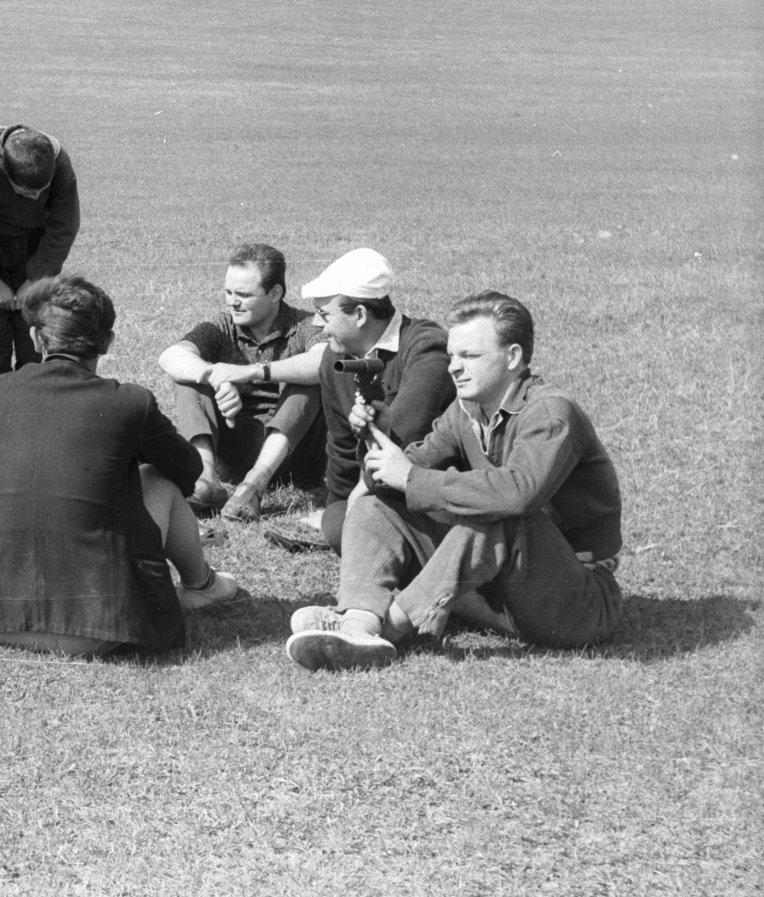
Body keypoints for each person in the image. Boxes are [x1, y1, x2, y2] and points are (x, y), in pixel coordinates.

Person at [286, 291, 624, 670]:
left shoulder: (550, 413)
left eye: (470, 356)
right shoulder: (465, 410)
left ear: (512, 357)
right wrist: (382, 437)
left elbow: (517, 496)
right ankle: (357, 620)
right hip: (498, 591)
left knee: (500, 515)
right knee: (376, 506)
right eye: (453, 355)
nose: (454, 368)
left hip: (575, 603)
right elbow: (397, 473)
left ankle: (388, 628)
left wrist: (411, 477)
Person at [0, 274, 244, 656]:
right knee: (157, 478)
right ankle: (202, 585)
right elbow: (188, 473)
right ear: (107, 342)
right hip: (101, 625)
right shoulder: (129, 403)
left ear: (39, 339)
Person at [158, 243, 328, 522]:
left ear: (275, 293)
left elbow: (324, 362)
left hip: (294, 456)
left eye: (243, 295)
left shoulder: (305, 325)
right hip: (235, 447)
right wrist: (214, 376)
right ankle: (206, 480)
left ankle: (255, 486)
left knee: (309, 380)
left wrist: (251, 372)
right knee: (189, 375)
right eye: (228, 292)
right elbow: (171, 355)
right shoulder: (224, 326)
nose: (232, 302)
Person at [302, 248, 455, 553]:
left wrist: (358, 497)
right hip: (375, 491)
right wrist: (341, 506)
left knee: (358, 527)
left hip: (433, 494)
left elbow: (405, 436)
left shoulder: (426, 349)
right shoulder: (334, 358)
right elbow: (342, 447)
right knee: (337, 525)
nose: (317, 325)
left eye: (324, 314)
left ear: (359, 315)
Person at [0, 123, 80, 373]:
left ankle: (29, 398)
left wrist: (36, 279)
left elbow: (64, 227)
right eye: (25, 192)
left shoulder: (60, 163)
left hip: (36, 250)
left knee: (33, 339)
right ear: (6, 172)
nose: (34, 198)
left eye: (40, 192)